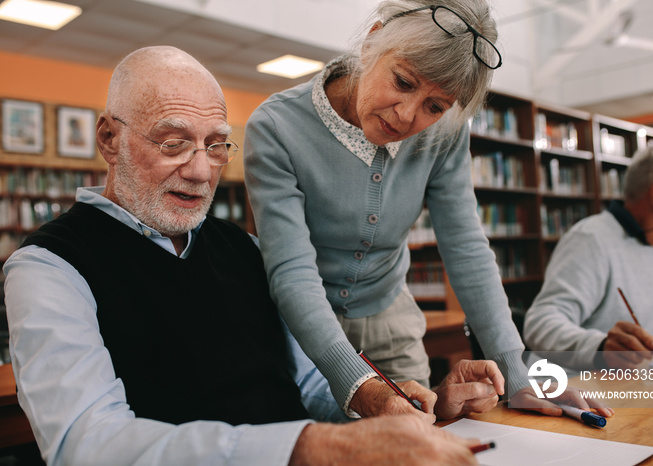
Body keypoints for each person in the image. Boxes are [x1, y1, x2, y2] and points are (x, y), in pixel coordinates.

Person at [4, 45, 514, 466]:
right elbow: (86, 445)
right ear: (109, 139)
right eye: (175, 142)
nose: (202, 171)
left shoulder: (242, 249)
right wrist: (308, 447)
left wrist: (406, 410)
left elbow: (315, 382)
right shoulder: (49, 268)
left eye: (217, 145)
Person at [243, 0, 608, 419]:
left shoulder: (445, 135)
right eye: (402, 82)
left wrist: (518, 372)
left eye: (435, 106)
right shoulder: (276, 126)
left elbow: (467, 248)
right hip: (294, 325)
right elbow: (291, 271)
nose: (406, 115)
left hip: (389, 317)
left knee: (425, 432)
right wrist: (358, 384)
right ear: (372, 41)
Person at [523, 142, 653, 371]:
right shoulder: (592, 240)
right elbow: (540, 324)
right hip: (577, 388)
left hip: (643, 383)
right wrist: (600, 347)